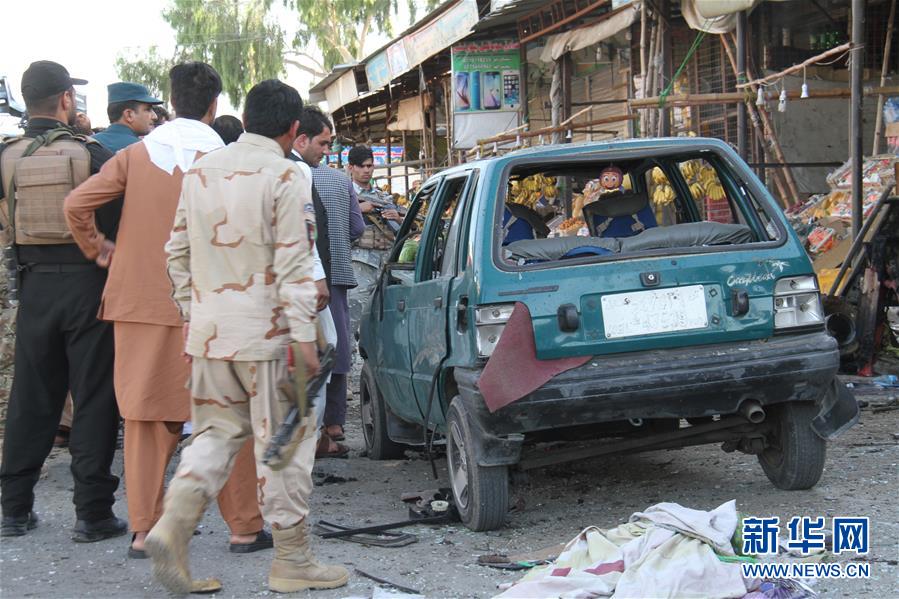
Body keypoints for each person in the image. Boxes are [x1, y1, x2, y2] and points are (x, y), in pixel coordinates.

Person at [147, 78, 349, 594]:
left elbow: (175, 253)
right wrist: (305, 337)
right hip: (273, 339)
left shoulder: (200, 170)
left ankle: (171, 528)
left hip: (212, 336)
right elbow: (295, 260)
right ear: (292, 129)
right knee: (286, 446)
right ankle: (293, 561)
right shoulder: (286, 174)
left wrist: (195, 313)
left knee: (214, 436)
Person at [64, 62, 269, 559]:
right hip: (219, 306)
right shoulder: (235, 160)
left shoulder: (134, 156)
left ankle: (145, 531)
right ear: (215, 106)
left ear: (169, 104)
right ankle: (243, 527)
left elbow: (76, 204)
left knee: (146, 420)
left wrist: (100, 249)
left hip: (141, 303)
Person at [0, 60, 125, 542]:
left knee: (31, 399)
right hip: (86, 284)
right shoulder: (88, 153)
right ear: (66, 100)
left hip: (32, 287)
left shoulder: (6, 156)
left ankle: (14, 509)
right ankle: (92, 514)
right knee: (93, 397)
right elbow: (115, 216)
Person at [292, 107, 364, 456]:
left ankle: (311, 432)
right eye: (324, 142)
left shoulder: (279, 173)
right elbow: (356, 229)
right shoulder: (337, 181)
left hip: (298, 279)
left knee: (310, 351)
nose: (327, 150)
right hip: (330, 276)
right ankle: (331, 427)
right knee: (335, 350)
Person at [92, 82, 162, 153]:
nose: (155, 116)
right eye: (148, 110)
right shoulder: (148, 150)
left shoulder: (87, 144)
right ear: (129, 115)